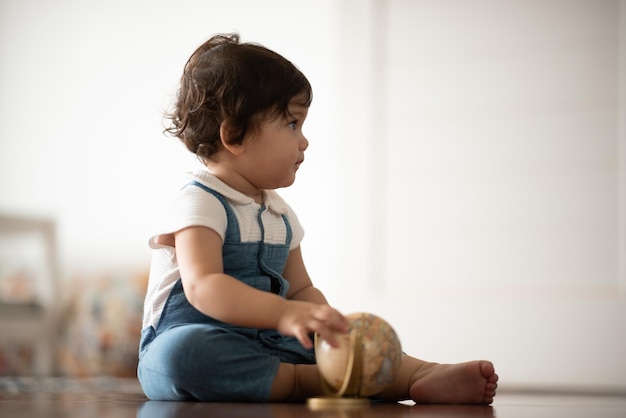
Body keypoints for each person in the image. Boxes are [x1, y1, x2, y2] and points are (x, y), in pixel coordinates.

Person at [137, 33, 498, 404]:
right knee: (183, 354)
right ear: (235, 134)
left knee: (355, 347)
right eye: (293, 124)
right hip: (198, 341)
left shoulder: (280, 214)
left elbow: (300, 289)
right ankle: (309, 381)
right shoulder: (200, 202)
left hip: (269, 346)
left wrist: (325, 323)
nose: (304, 141)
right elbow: (204, 286)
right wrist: (282, 314)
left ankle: (420, 374)